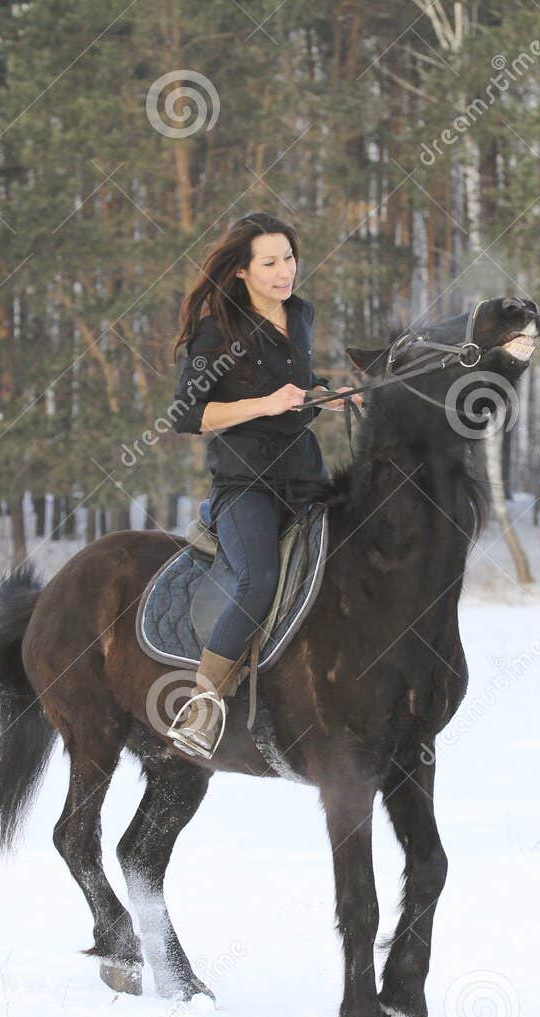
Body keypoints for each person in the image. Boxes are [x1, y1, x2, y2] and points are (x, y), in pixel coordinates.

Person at [162, 211, 361, 760]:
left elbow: (298, 383)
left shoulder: (301, 316)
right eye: (269, 263)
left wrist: (330, 393)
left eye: (289, 259)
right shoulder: (217, 331)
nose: (284, 272)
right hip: (246, 485)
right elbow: (187, 414)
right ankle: (203, 705)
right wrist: (265, 405)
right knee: (258, 580)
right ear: (243, 272)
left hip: (307, 479)